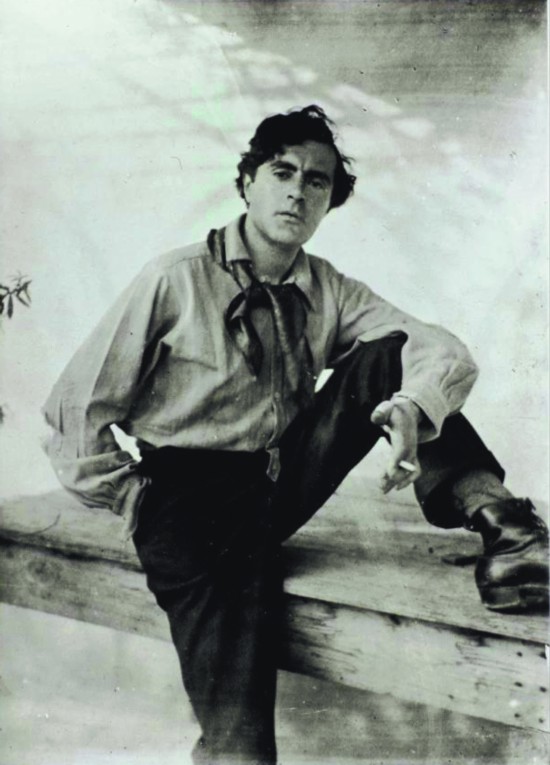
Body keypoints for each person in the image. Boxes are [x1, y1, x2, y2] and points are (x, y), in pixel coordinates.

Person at [43, 105, 548, 765]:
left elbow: (440, 349)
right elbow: (73, 409)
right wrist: (134, 498)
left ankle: (510, 532)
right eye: (282, 172)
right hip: (186, 501)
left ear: (329, 202)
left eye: (317, 181)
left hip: (279, 479)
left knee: (394, 352)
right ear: (247, 183)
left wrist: (409, 410)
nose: (298, 192)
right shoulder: (174, 278)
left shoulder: (326, 288)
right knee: (241, 740)